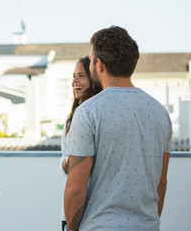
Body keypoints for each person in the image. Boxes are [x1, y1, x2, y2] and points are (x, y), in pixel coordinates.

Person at [64, 26, 172, 231]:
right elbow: (161, 183)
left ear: (100, 64)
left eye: (92, 59)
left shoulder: (88, 112)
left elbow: (75, 189)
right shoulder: (160, 113)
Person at [59, 56, 101, 231]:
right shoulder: (72, 117)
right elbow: (65, 161)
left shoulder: (97, 114)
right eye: (74, 76)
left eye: (81, 76)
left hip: (93, 212)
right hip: (71, 212)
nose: (74, 81)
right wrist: (69, 161)